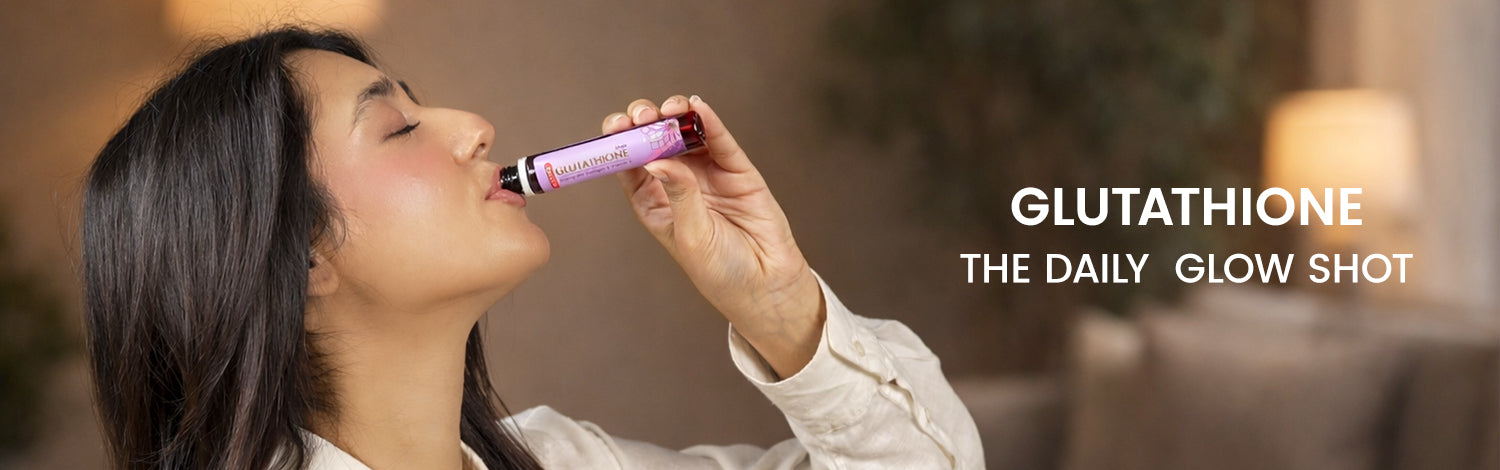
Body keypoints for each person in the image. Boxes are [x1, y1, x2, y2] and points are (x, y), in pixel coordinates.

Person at [81, 26, 982, 470]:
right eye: (398, 127)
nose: (475, 126)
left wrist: (777, 303)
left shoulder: (562, 459)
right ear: (301, 256)